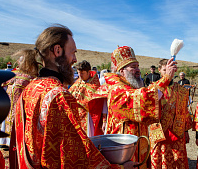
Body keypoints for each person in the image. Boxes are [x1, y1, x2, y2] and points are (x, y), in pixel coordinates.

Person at [13, 24, 135, 168]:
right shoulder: (59, 96)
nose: (75, 59)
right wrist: (119, 167)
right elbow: (75, 158)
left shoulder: (30, 89)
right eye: (73, 52)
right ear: (58, 50)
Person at [104, 46, 177, 168]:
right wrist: (166, 79)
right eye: (133, 67)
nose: (138, 70)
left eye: (138, 66)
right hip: (123, 148)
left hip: (138, 144)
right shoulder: (117, 89)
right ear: (122, 71)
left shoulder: (131, 86)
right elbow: (143, 99)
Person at [149, 59, 192, 168]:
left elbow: (184, 111)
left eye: (171, 70)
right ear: (159, 70)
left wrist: (186, 130)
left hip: (177, 131)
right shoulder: (153, 88)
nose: (168, 73)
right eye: (165, 70)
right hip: (160, 132)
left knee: (178, 160)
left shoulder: (182, 90)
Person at [69, 60, 107, 136]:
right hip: (76, 115)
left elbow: (97, 104)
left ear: (89, 72)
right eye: (79, 73)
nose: (80, 76)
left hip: (88, 118)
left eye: (82, 73)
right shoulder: (79, 80)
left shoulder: (94, 85)